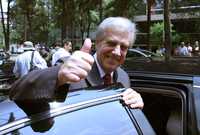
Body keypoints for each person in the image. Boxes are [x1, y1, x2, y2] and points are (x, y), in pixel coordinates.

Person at [10, 17, 144, 109]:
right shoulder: (69, 69)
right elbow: (16, 93)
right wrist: (58, 75)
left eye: (124, 47)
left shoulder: (123, 77)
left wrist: (135, 105)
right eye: (111, 43)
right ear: (96, 43)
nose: (117, 52)